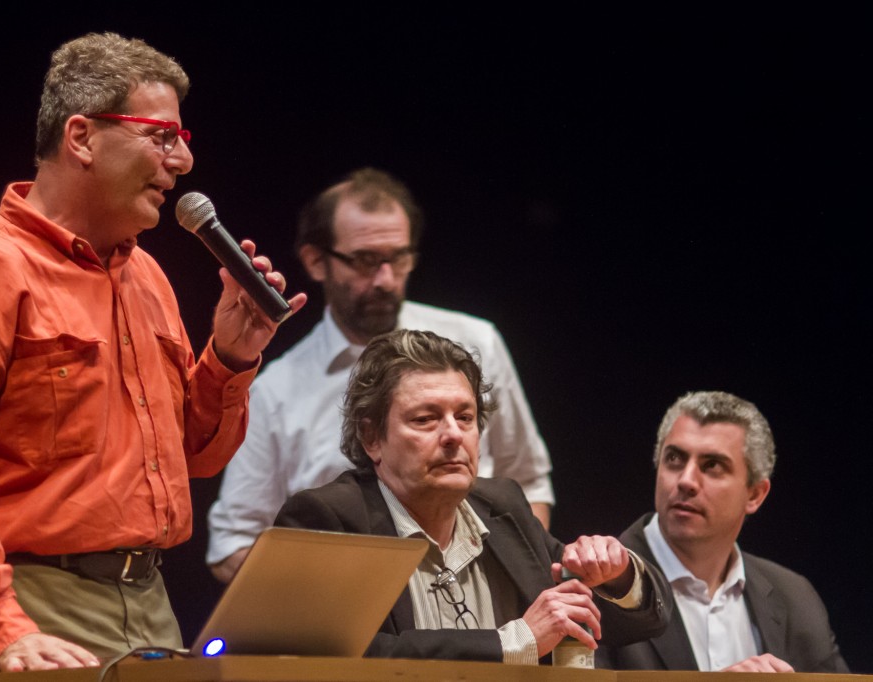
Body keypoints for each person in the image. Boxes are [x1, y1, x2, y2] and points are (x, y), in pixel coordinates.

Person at [0, 32, 305, 681]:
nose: (183, 162)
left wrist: (230, 357)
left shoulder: (149, 278)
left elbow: (196, 456)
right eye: (162, 137)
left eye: (183, 141)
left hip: (150, 604)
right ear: (80, 137)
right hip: (31, 607)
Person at [207, 167, 554, 583]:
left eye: (399, 258)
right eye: (366, 261)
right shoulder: (275, 391)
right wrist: (331, 598)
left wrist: (516, 586)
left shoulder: (476, 342)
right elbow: (233, 542)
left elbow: (528, 483)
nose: (386, 280)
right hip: (351, 630)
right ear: (316, 261)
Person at [273, 329, 670, 663]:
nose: (453, 435)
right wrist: (515, 642)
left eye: (464, 417)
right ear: (372, 438)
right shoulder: (329, 517)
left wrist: (618, 577)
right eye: (425, 419)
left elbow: (617, 622)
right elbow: (338, 654)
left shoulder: (503, 506)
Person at [595, 391, 849, 673]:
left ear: (754, 494)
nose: (686, 481)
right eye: (675, 459)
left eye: (712, 465)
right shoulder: (601, 585)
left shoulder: (795, 596)